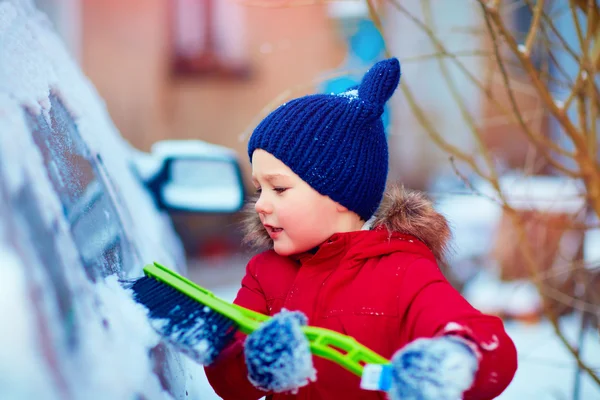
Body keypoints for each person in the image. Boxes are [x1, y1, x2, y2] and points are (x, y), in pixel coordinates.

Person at [205, 58, 517, 400]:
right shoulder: (265, 275)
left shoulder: (403, 271)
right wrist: (254, 362)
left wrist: (452, 362)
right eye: (259, 188)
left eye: (278, 189)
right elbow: (230, 383)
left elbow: (488, 345)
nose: (262, 204)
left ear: (338, 193)